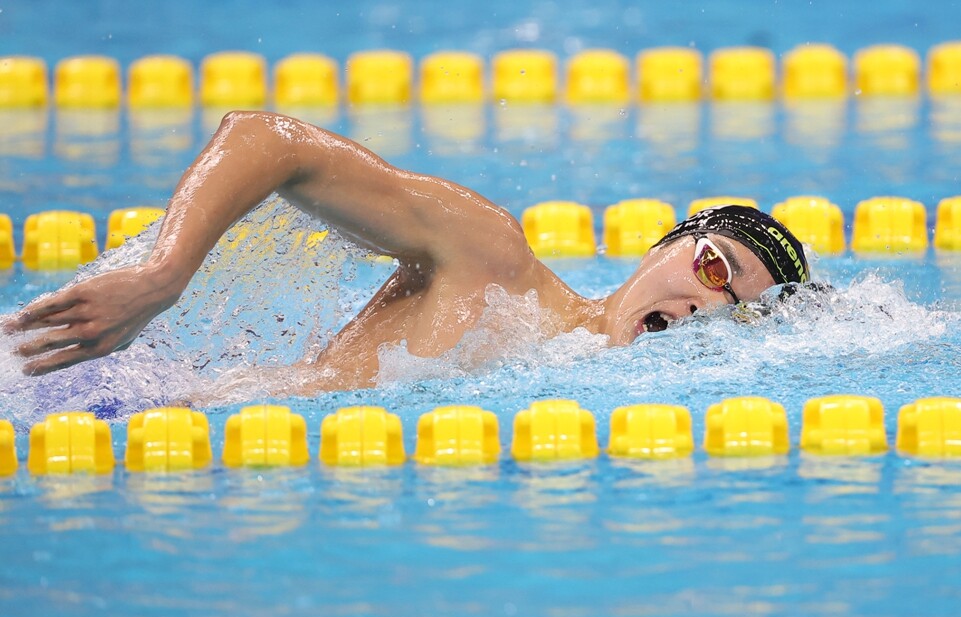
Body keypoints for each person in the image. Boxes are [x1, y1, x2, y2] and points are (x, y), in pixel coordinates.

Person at [6, 111, 809, 393]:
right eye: (713, 268)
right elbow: (265, 138)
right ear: (664, 246)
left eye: (736, 312)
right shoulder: (493, 262)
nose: (708, 305)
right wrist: (162, 274)